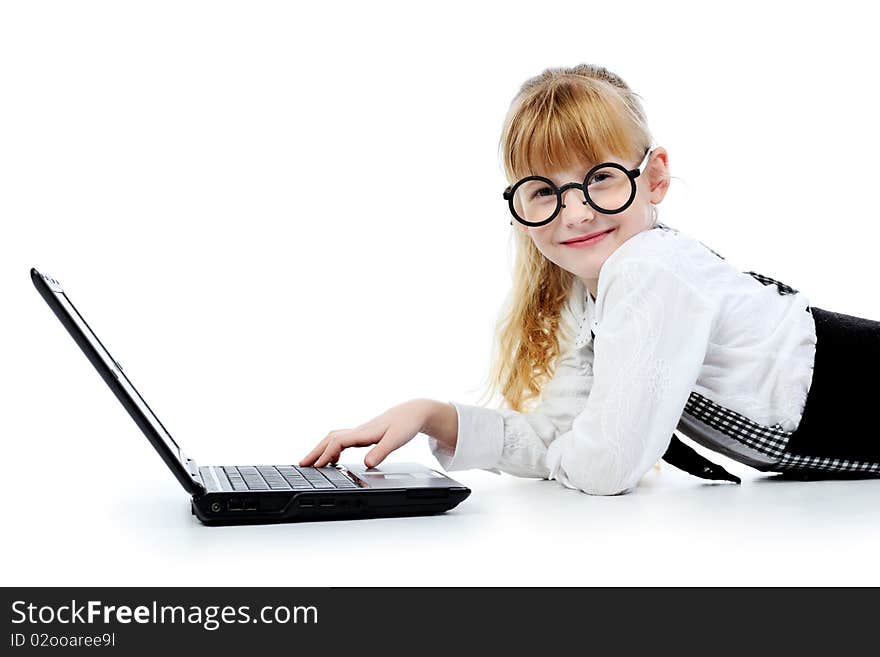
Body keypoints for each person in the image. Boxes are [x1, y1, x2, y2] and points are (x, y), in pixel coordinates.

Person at [299, 63, 880, 495]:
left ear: (654, 179)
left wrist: (577, 452)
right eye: (544, 191)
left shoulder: (649, 269)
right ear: (519, 211)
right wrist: (435, 414)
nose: (574, 212)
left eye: (600, 178)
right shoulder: (594, 297)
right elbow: (564, 438)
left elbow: (606, 466)